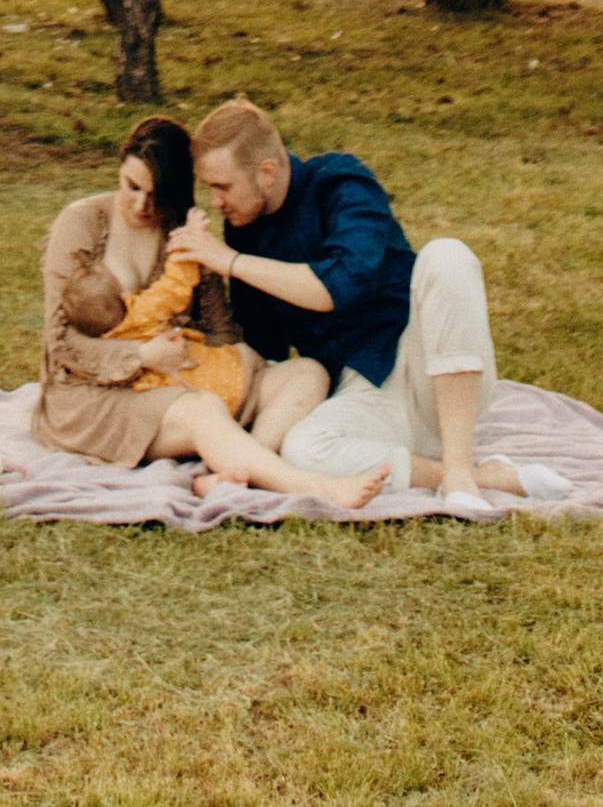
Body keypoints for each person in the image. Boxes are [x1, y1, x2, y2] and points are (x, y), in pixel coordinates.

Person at [175, 92, 567, 512]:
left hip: (429, 366)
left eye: (222, 186)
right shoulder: (244, 229)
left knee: (448, 256)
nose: (215, 202)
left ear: (266, 172)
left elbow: (340, 286)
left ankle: (457, 467)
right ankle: (484, 476)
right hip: (362, 391)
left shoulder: (341, 183)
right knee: (303, 450)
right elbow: (263, 347)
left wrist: (232, 261)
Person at [34, 114, 377, 505]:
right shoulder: (81, 224)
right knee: (204, 410)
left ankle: (237, 471)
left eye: (156, 195)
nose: (141, 205)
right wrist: (142, 355)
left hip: (183, 377)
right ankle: (310, 486)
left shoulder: (181, 231)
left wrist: (238, 361)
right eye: (131, 187)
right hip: (93, 395)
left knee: (308, 374)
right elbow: (60, 343)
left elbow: (219, 328)